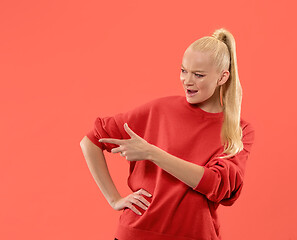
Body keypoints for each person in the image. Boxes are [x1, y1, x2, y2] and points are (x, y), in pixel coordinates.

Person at [80, 27, 255, 240]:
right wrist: (114, 199)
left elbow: (217, 185)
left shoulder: (239, 131)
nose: (187, 80)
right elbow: (90, 141)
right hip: (136, 233)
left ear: (222, 78)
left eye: (198, 75)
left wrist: (153, 153)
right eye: (183, 70)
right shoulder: (159, 109)